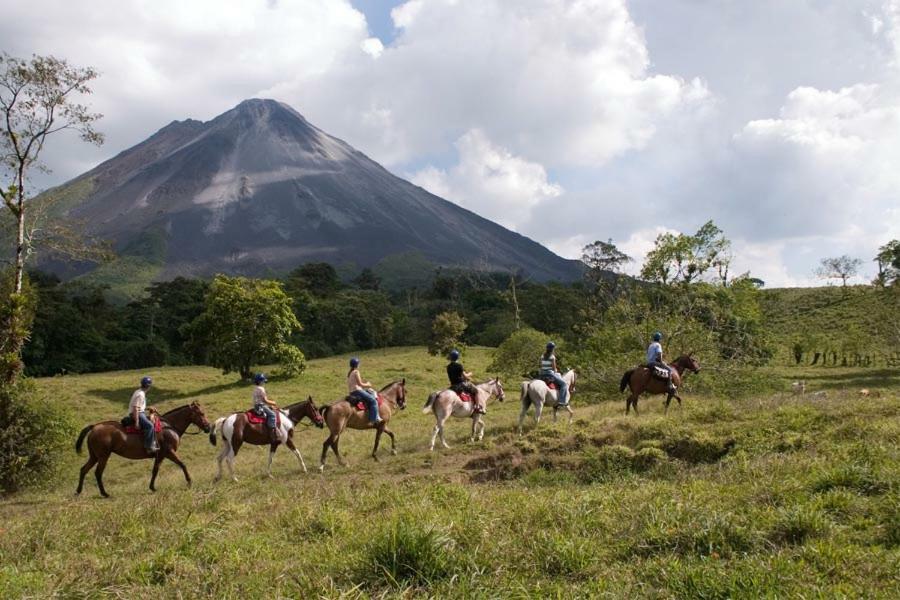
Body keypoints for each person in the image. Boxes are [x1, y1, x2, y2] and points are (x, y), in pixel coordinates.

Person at [446, 349, 484, 415]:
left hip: (453, 385)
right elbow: (465, 376)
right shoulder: (459, 366)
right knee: (477, 391)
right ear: (457, 357)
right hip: (461, 384)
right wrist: (470, 374)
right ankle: (477, 407)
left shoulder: (448, 367)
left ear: (450, 358)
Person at [347, 357, 382, 425]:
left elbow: (356, 384)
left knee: (371, 393)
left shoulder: (350, 373)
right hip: (357, 391)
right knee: (373, 400)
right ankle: (374, 419)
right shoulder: (356, 372)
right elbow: (360, 384)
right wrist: (368, 384)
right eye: (359, 363)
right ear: (357, 364)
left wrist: (366, 388)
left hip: (352, 392)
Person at [129, 376, 158, 454]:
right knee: (150, 426)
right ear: (149, 386)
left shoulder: (138, 391)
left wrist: (148, 408)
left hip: (139, 412)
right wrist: (137, 422)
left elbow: (138, 406)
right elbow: (135, 408)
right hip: (137, 414)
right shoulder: (140, 394)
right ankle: (149, 447)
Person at [252, 373, 280, 444]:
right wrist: (273, 402)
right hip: (261, 406)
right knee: (272, 415)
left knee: (271, 409)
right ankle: (272, 434)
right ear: (260, 381)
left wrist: (270, 406)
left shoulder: (255, 388)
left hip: (256, 406)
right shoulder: (261, 389)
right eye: (263, 381)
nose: (264, 382)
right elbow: (265, 400)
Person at [539, 342, 569, 407]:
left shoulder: (542, 355)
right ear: (552, 349)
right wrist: (556, 371)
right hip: (549, 374)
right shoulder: (552, 356)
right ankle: (562, 401)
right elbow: (554, 368)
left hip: (541, 374)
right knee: (564, 384)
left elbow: (541, 366)